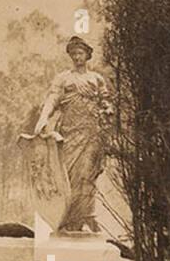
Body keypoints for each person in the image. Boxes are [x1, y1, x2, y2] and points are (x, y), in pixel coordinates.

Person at [33, 35, 112, 233]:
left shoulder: (96, 79)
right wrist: (43, 118)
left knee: (87, 176)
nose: (77, 57)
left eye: (81, 53)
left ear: (87, 55)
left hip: (91, 134)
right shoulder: (63, 78)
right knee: (67, 176)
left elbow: (106, 101)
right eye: (74, 54)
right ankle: (66, 220)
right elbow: (52, 99)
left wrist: (108, 110)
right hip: (68, 134)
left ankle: (85, 219)